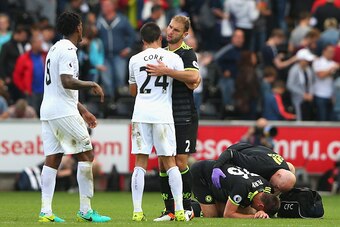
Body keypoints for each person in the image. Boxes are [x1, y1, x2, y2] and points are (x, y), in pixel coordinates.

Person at [38, 12, 110, 223]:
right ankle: (86, 210)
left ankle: (45, 211)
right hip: (62, 111)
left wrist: (83, 110)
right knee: (87, 155)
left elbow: (59, 88)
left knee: (53, 158)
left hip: (49, 110)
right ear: (78, 27)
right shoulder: (69, 50)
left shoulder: (54, 49)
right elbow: (67, 81)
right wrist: (92, 84)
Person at [128, 22, 186, 222]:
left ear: (143, 40)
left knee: (140, 163)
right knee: (170, 162)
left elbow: (133, 91)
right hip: (162, 115)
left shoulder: (134, 60)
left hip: (141, 114)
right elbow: (188, 80)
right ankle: (179, 209)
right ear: (160, 38)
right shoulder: (172, 57)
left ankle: (137, 211)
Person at [146, 15, 200, 221]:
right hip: (164, 114)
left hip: (184, 114)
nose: (170, 32)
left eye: (176, 30)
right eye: (169, 27)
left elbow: (194, 77)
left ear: (185, 34)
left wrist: (166, 71)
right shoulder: (161, 53)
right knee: (162, 163)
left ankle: (186, 207)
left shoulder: (187, 53)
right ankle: (169, 209)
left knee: (180, 161)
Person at [192, 160, 280, 218]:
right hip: (200, 174)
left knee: (245, 210)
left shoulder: (266, 186)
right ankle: (186, 206)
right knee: (211, 215)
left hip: (220, 178)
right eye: (259, 210)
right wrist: (254, 217)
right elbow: (228, 214)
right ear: (260, 206)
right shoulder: (242, 188)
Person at [211, 142, 296, 194]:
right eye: (277, 186)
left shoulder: (285, 168)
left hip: (254, 151)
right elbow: (230, 153)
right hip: (234, 156)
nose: (276, 189)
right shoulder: (257, 165)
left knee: (291, 167)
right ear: (278, 175)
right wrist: (216, 167)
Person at [286, 48, 315, 121]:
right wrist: (302, 94)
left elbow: (311, 83)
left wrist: (310, 94)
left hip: (308, 99)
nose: (307, 62)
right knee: (299, 117)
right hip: (297, 100)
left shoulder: (309, 69)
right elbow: (290, 85)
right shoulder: (294, 70)